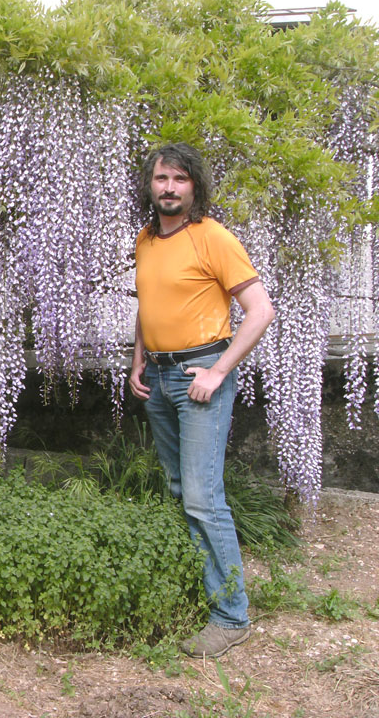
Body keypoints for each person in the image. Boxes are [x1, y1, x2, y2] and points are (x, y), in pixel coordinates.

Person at [128, 143, 275, 658]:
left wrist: (217, 370)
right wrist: (138, 358)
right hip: (160, 378)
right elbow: (151, 305)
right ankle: (205, 590)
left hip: (199, 375)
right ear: (151, 185)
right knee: (178, 488)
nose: (168, 187)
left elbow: (260, 311)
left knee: (202, 496)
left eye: (179, 179)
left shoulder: (213, 237)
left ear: (195, 186)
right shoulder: (146, 240)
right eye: (161, 178)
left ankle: (231, 615)